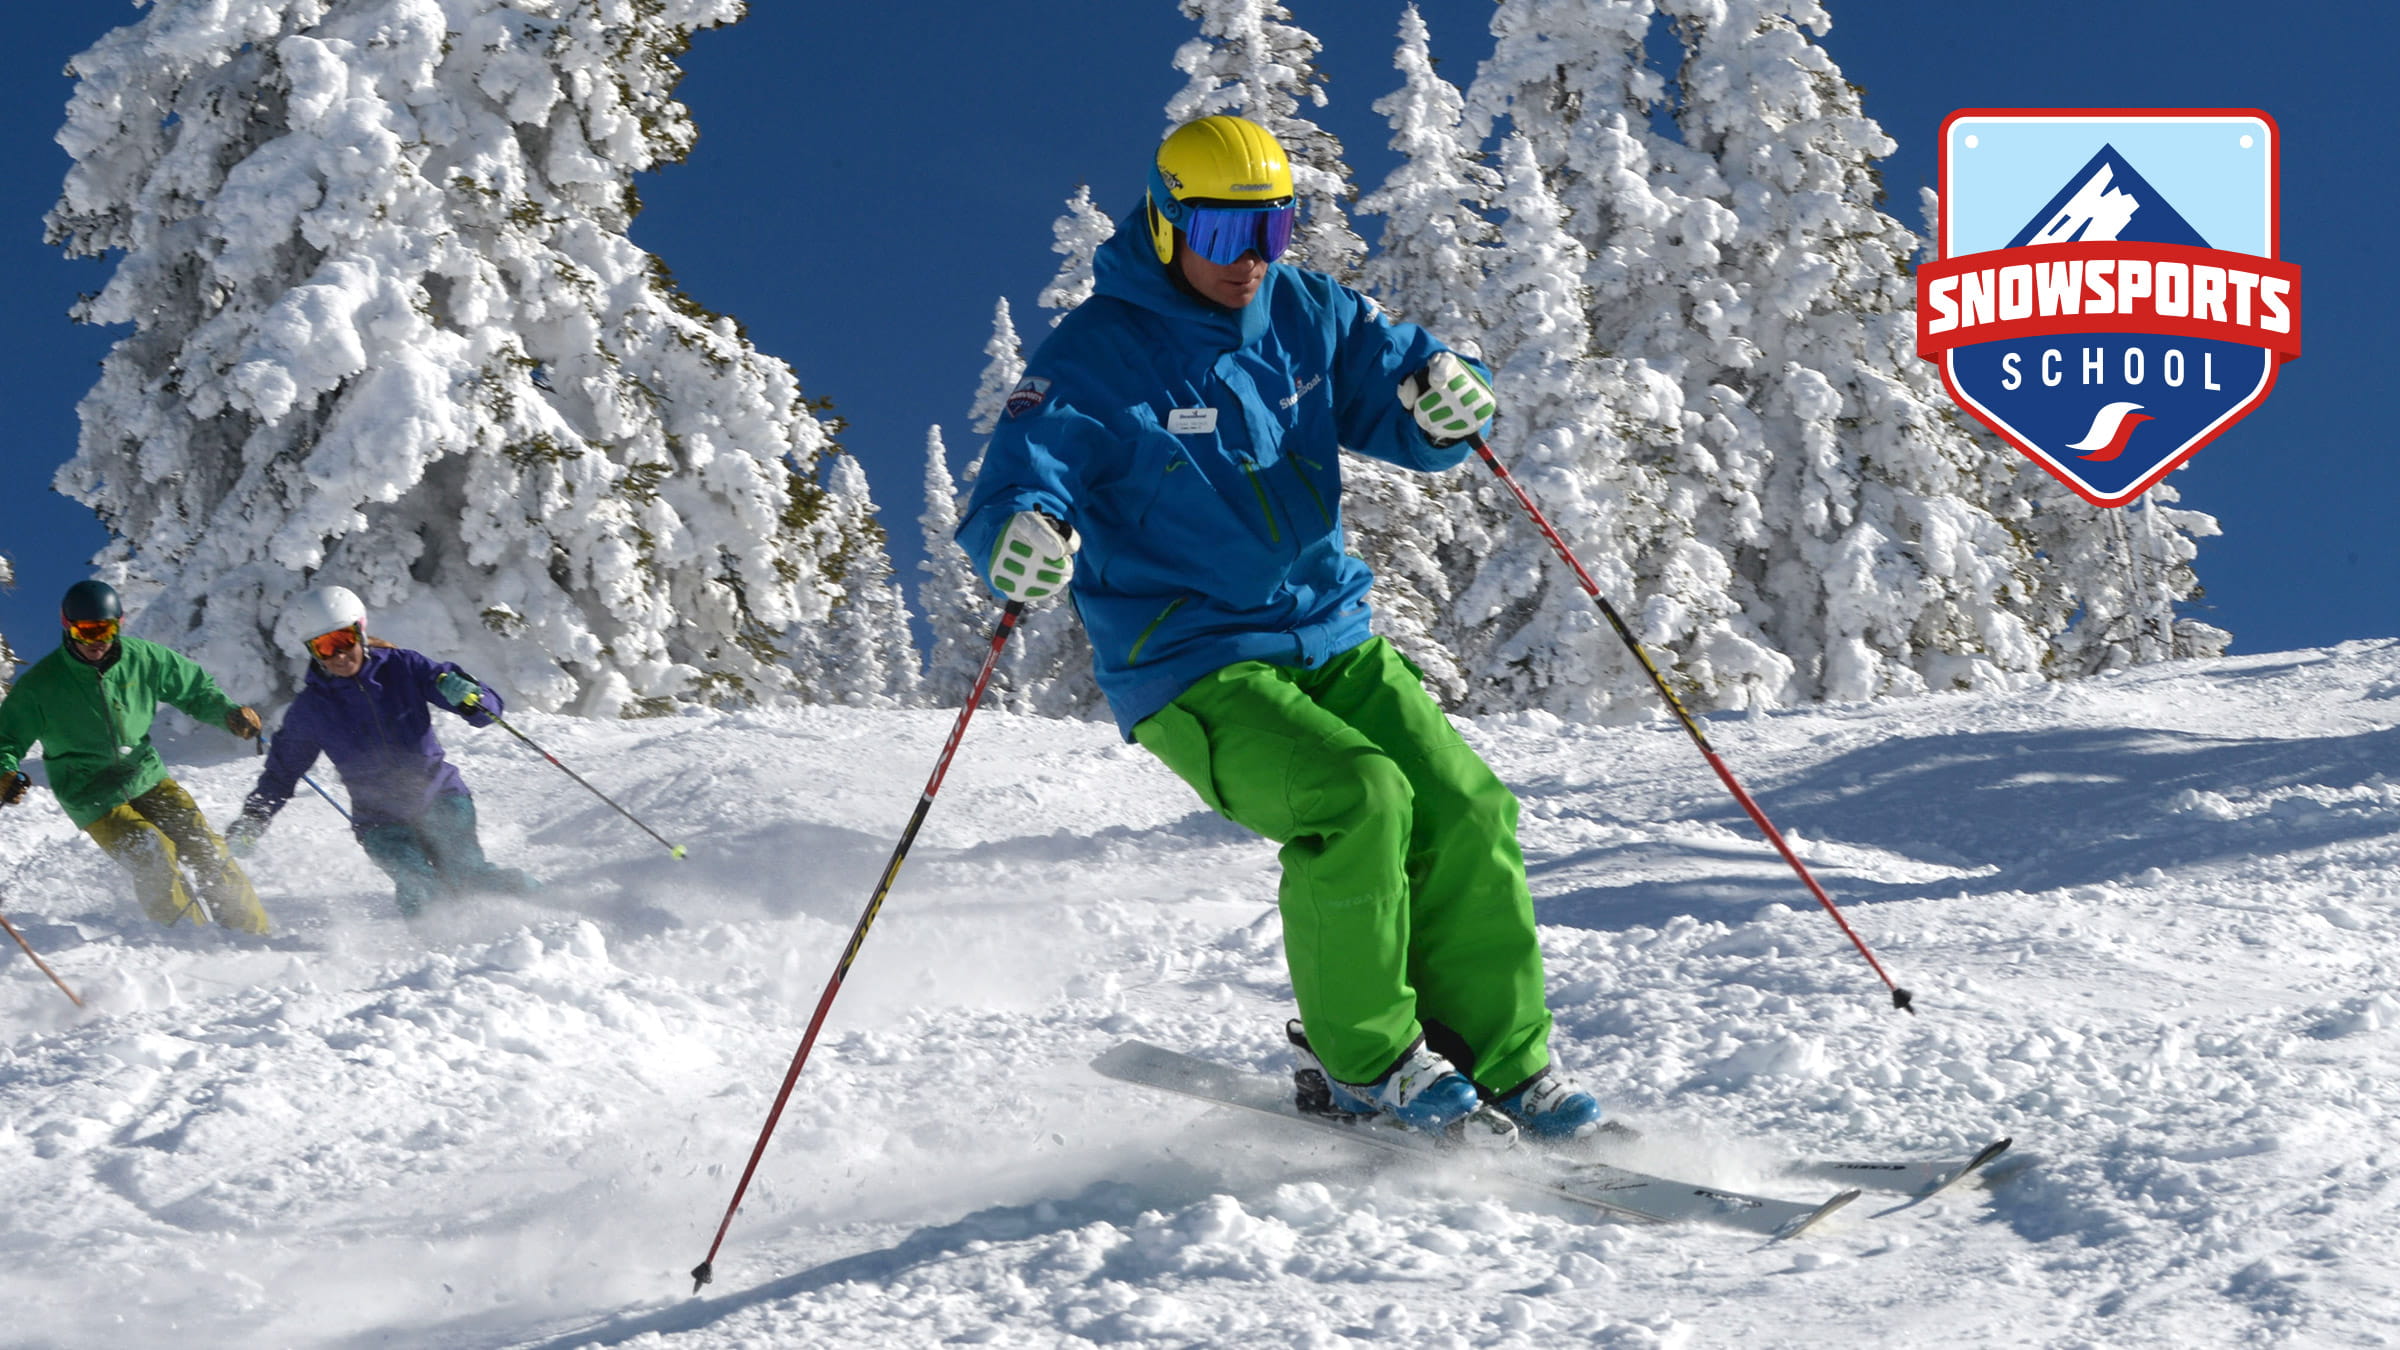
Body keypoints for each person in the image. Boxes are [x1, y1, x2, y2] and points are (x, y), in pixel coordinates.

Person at [958, 115, 1598, 1145]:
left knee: (1469, 809)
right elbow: (1024, 476)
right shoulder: (1096, 356)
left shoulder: (1306, 310)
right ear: (1166, 224)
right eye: (1223, 233)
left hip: (1328, 634)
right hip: (1193, 663)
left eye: (1273, 230)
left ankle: (1501, 1060)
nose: (1250, 258)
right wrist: (1020, 533)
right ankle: (1366, 1065)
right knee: (1358, 799)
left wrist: (1448, 398)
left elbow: (1406, 383)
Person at [227, 586, 535, 919]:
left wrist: (471, 697)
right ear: (313, 652)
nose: (338, 655)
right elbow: (281, 772)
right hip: (379, 821)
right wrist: (253, 819)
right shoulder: (311, 709)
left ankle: (554, 904)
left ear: (360, 631)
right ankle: (434, 944)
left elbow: (488, 712)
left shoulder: (404, 667)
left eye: (343, 640)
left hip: (440, 798)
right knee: (418, 884)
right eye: (324, 647)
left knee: (469, 877)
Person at [0, 580, 271, 934]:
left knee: (204, 845)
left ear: (119, 625)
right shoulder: (42, 685)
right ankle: (186, 938)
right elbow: (6, 738)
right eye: (86, 632)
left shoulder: (142, 658)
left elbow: (194, 689)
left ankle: (251, 933)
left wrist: (228, 713)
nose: (97, 642)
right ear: (68, 628)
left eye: (105, 630)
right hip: (90, 792)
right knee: (150, 850)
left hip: (145, 775)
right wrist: (4, 773)